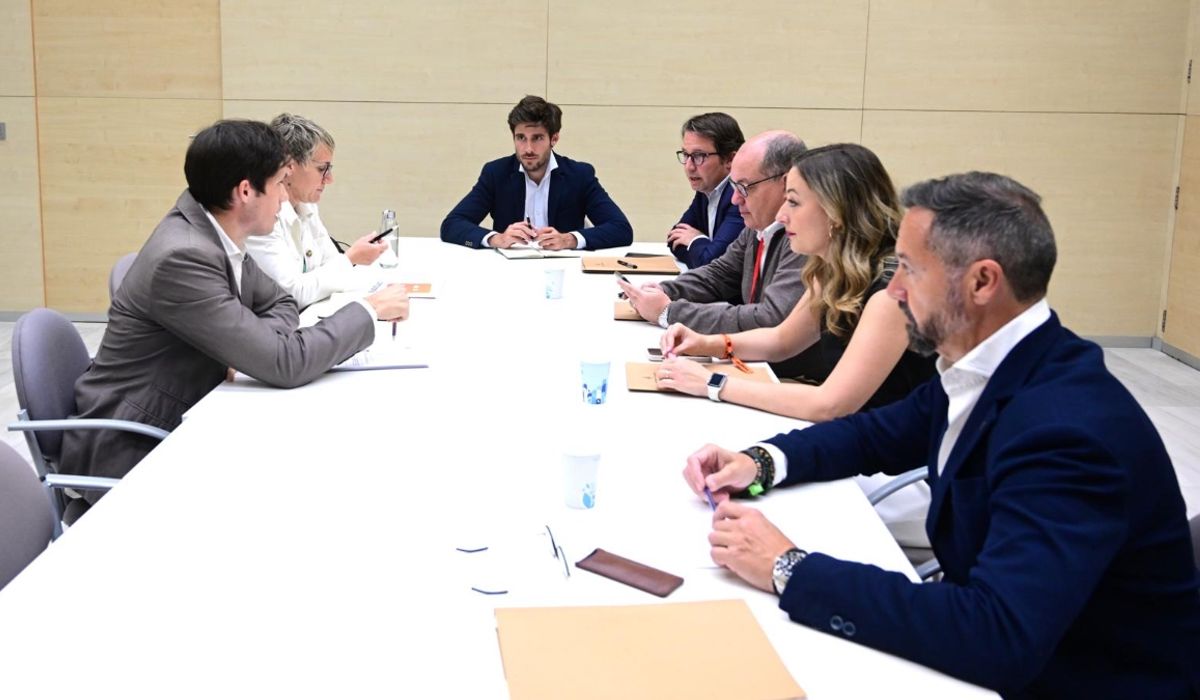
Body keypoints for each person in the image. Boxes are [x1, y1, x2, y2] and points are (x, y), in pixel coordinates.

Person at [681, 172, 1200, 697]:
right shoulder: (994, 363)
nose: (894, 291)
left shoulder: (1067, 431)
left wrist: (787, 567)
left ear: (982, 282)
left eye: (909, 269)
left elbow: (996, 635)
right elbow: (873, 436)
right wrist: (761, 461)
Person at [61, 120, 410, 497]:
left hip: (190, 412)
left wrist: (260, 345)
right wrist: (368, 310)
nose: (283, 200)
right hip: (134, 446)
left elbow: (279, 301)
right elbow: (285, 363)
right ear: (245, 191)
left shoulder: (217, 232)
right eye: (279, 184)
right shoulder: (184, 256)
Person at [659, 144, 937, 547]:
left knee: (751, 501)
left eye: (792, 201)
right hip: (853, 444)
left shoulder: (892, 292)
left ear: (835, 212)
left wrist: (712, 384)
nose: (781, 216)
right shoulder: (832, 267)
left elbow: (829, 405)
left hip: (903, 473)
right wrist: (708, 342)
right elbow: (780, 340)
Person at [619, 131, 806, 333]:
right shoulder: (756, 228)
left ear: (786, 184)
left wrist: (669, 312)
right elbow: (720, 274)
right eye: (734, 186)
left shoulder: (805, 238)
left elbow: (769, 318)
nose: (735, 199)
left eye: (744, 187)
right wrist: (665, 291)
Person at [440, 95, 632, 251]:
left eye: (537, 138)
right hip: (507, 269)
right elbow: (452, 225)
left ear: (554, 138)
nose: (528, 148)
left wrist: (569, 239)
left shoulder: (579, 175)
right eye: (521, 138)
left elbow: (621, 229)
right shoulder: (496, 173)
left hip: (563, 270)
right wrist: (496, 239)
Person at [246, 113, 389, 309]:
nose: (329, 179)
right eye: (322, 169)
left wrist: (348, 262)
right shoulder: (261, 216)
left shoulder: (307, 205)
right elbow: (291, 294)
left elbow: (330, 263)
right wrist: (351, 258)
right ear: (289, 166)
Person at [668, 112, 745, 268]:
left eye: (699, 156)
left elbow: (713, 264)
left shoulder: (740, 197)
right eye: (686, 155)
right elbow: (674, 240)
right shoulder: (706, 189)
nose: (689, 167)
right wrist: (704, 249)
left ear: (730, 159)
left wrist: (696, 240)